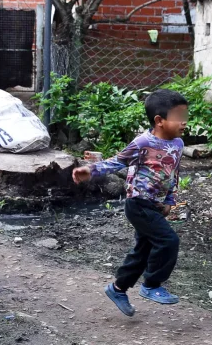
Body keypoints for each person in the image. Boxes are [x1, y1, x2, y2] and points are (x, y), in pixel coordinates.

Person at [72, 89, 188, 317]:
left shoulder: (178, 144)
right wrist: (90, 170)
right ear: (160, 120)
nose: (184, 122)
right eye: (179, 116)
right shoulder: (143, 142)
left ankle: (117, 289)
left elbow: (173, 173)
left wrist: (169, 200)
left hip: (155, 204)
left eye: (186, 116)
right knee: (168, 240)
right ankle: (151, 285)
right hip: (138, 203)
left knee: (142, 251)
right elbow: (117, 161)